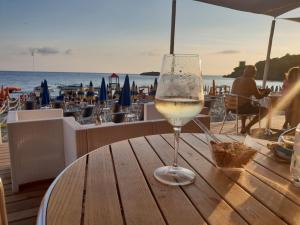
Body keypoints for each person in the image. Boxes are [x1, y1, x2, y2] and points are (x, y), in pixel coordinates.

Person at [231, 65, 271, 134]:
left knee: (247, 103)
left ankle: (243, 127)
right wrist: (266, 93)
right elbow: (258, 96)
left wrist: (260, 90)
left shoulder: (237, 80)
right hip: (242, 109)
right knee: (265, 110)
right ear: (252, 73)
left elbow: (244, 90)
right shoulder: (251, 81)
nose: (255, 75)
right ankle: (247, 127)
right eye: (254, 73)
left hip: (233, 107)